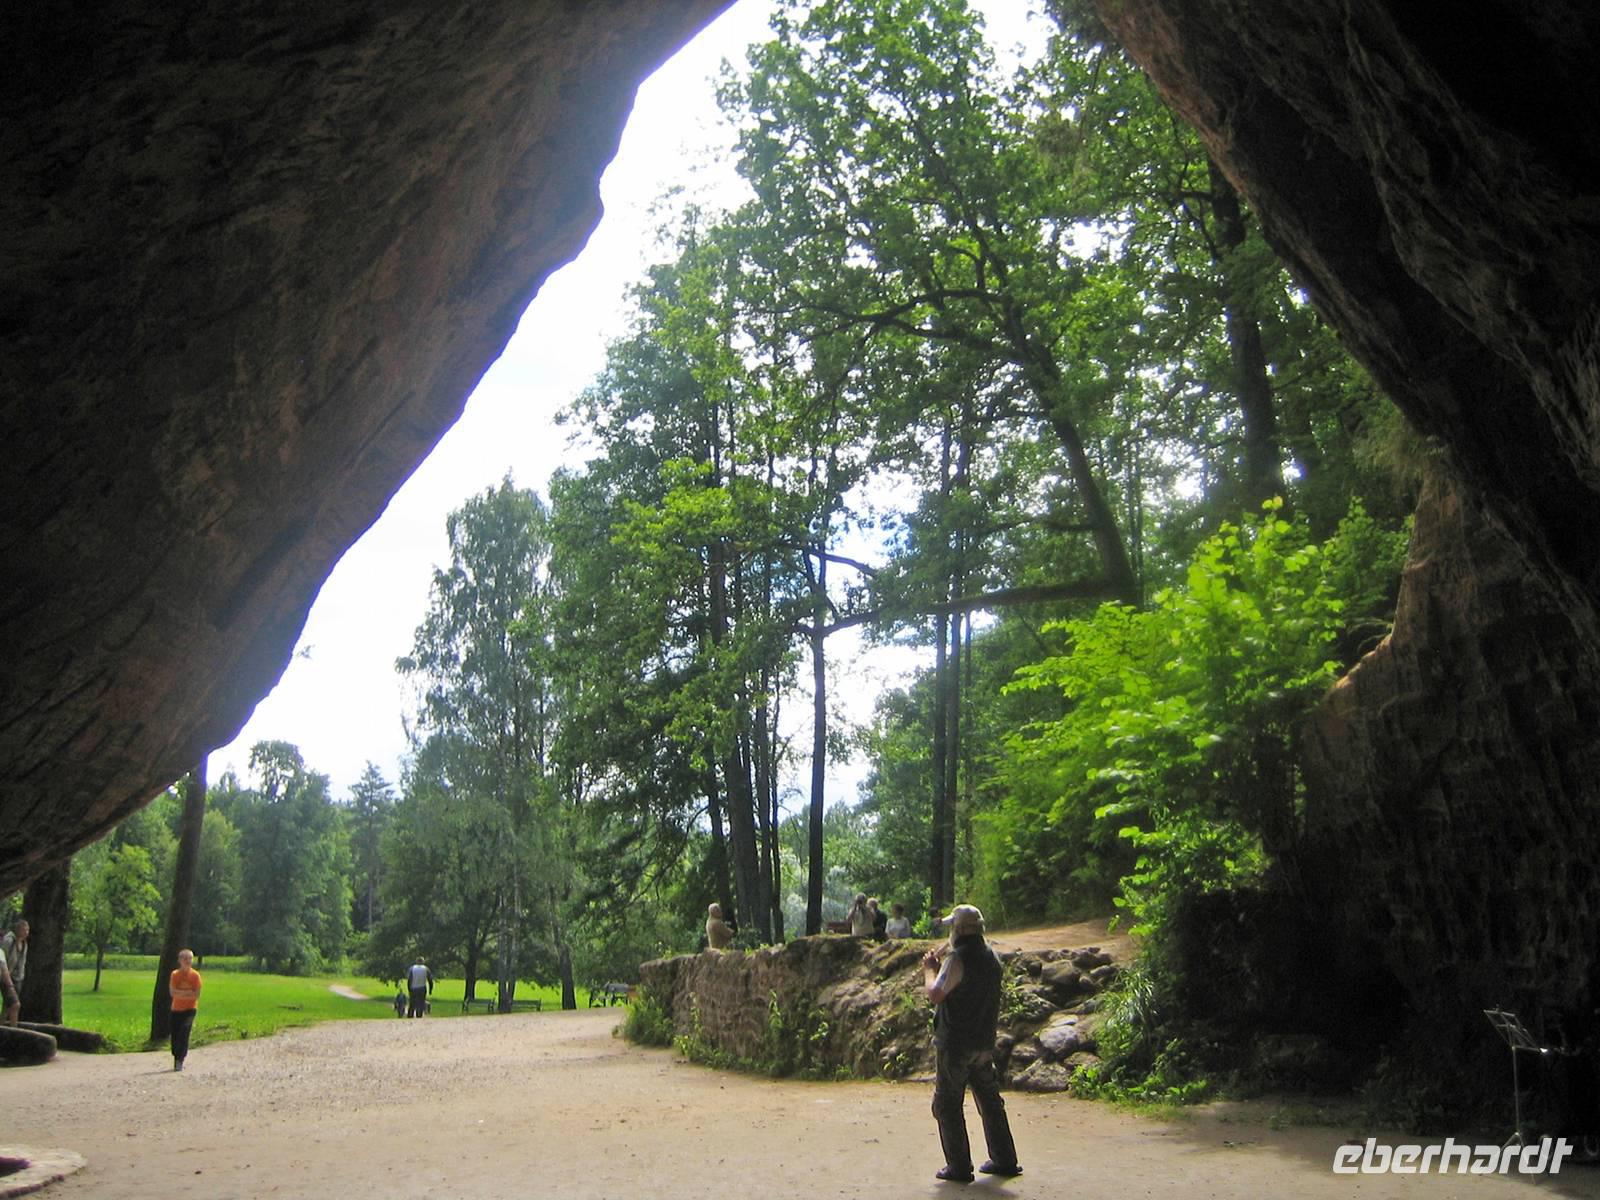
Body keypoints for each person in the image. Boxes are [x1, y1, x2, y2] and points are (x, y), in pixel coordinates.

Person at [922, 904, 1021, 1183]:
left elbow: (937, 993)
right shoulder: (991, 957)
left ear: (961, 929)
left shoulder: (957, 959)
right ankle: (1004, 1159)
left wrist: (930, 969)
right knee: (990, 1100)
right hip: (983, 1041)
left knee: (948, 1104)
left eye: (953, 926)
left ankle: (959, 1166)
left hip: (955, 1043)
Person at [169, 947, 203, 1071]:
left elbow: (196, 995)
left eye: (190, 958)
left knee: (185, 1031)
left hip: (190, 1009)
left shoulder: (195, 976)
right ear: (179, 960)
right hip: (176, 1009)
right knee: (175, 1035)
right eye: (185, 958)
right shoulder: (175, 975)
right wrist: (188, 992)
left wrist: (182, 993)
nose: (188, 961)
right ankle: (175, 1056)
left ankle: (180, 1059)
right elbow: (172, 992)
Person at [1, 919, 26, 1026]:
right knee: (15, 1005)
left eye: (28, 930)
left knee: (7, 1006)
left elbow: (21, 962)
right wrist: (9, 982)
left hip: (16, 978)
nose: (26, 932)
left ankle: (2, 1029)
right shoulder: (9, 941)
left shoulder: (24, 944)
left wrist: (20, 976)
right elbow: (3, 963)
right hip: (6, 978)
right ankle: (14, 1031)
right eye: (25, 929)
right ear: (18, 929)